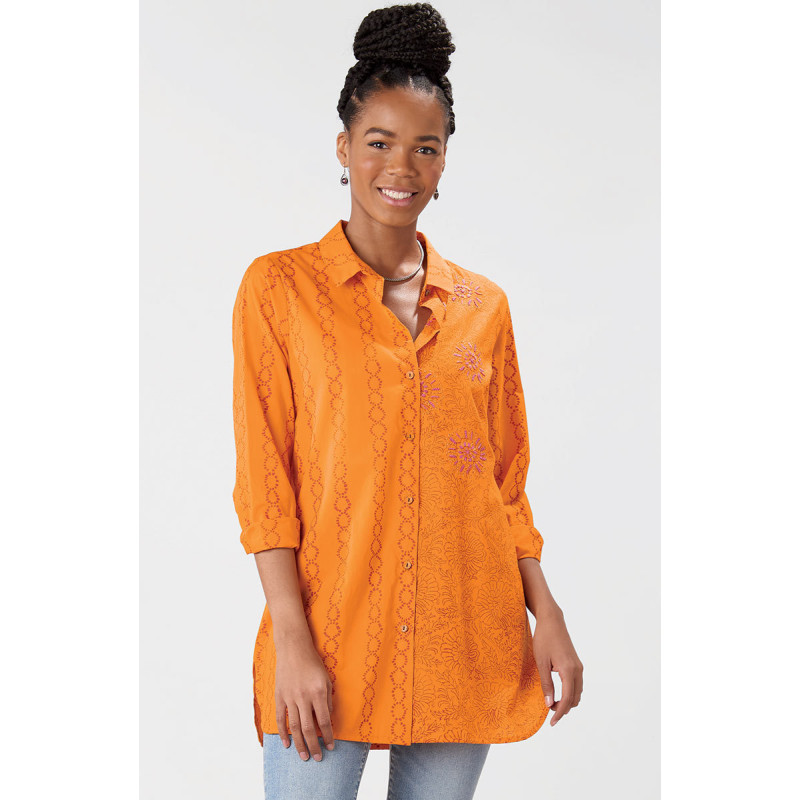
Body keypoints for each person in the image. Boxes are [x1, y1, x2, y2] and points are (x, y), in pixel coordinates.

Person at [231, 4, 583, 798]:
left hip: (465, 640)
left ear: (445, 159)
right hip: (328, 639)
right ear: (344, 148)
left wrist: (548, 613)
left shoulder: (484, 307)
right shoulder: (278, 289)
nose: (403, 166)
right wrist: (292, 641)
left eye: (426, 147)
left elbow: (504, 485)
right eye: (380, 142)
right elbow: (265, 485)